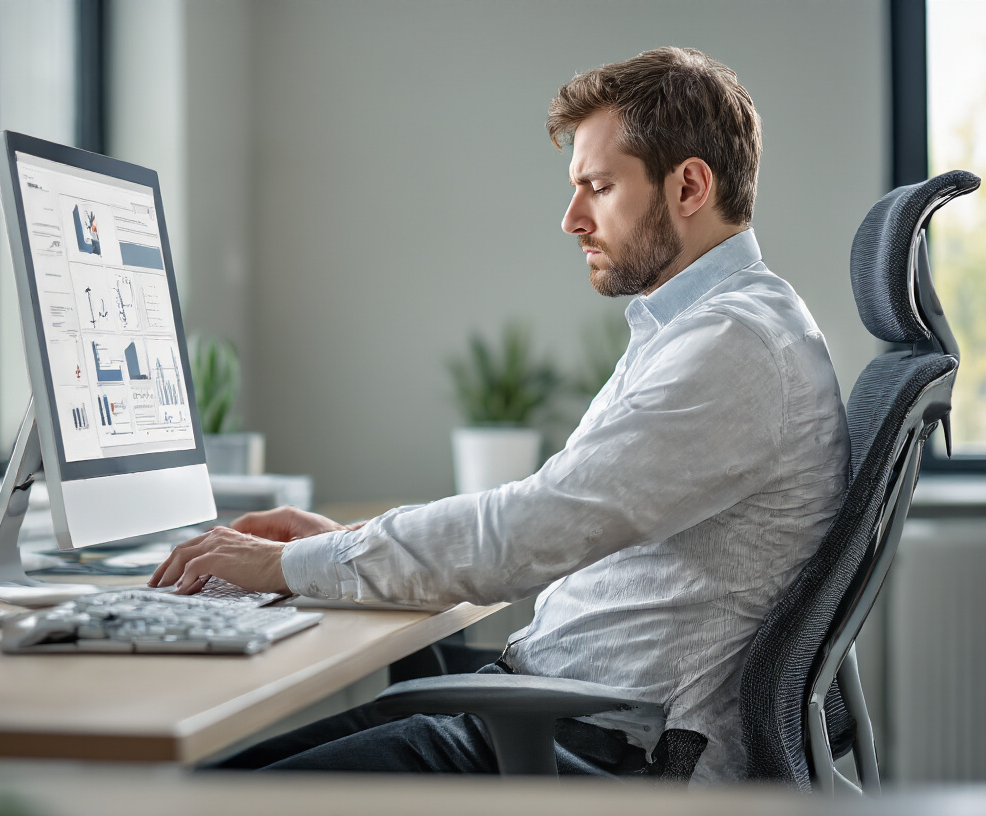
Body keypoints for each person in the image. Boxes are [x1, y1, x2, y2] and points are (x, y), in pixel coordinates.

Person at [150, 46, 849, 784]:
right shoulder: (709, 327)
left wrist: (290, 564)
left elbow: (528, 532)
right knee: (212, 781)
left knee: (201, 795)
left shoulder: (733, 345)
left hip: (602, 754)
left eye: (599, 187)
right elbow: (549, 508)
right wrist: (347, 543)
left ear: (690, 186)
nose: (572, 218)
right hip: (561, 720)